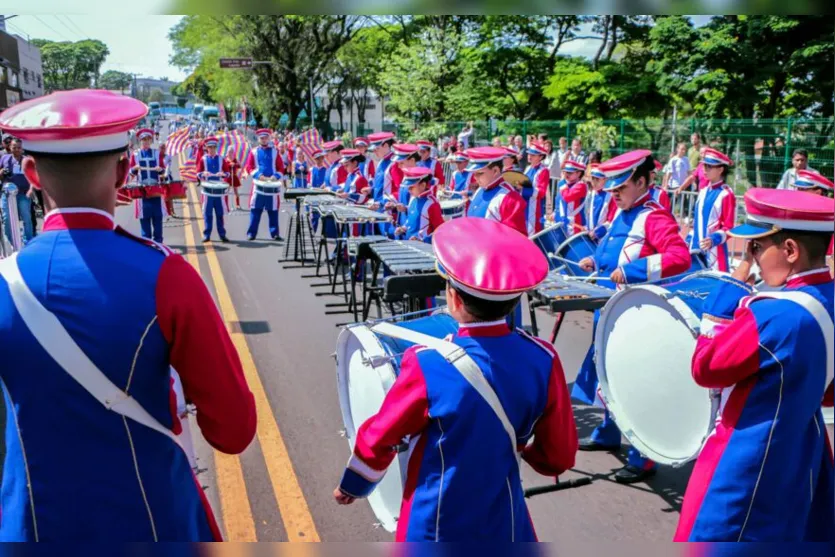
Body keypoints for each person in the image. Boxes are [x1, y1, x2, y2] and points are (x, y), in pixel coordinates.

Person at [0, 88, 256, 542]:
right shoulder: (167, 275)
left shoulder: (5, 281)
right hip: (152, 519)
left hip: (31, 525)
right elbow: (234, 430)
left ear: (32, 174)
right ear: (123, 169)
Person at [333, 216, 578, 542]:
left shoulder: (427, 363)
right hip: (503, 515)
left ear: (454, 298)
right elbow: (558, 457)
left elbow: (382, 433)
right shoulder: (543, 359)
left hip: (436, 518)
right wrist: (523, 450)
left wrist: (355, 484)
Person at [674, 188, 834, 542]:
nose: (753, 257)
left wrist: (732, 284)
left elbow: (705, 367)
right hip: (804, 447)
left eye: (757, 248)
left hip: (749, 455)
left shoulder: (773, 314)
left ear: (790, 250)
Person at [574, 150, 691, 484]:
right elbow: (614, 251)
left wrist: (632, 271)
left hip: (634, 315)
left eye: (620, 188)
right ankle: (608, 432)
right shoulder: (623, 212)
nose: (614, 194)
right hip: (610, 309)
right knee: (607, 374)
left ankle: (644, 457)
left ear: (642, 182)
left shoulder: (653, 216)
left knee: (633, 382)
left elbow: (679, 257)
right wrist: (595, 263)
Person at [685, 148, 737, 272]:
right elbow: (698, 221)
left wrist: (714, 239)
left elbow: (729, 227)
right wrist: (689, 238)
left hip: (714, 253)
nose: (704, 170)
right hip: (696, 249)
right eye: (704, 166)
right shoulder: (702, 192)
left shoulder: (726, 194)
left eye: (709, 166)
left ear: (720, 169)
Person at [463, 147, 527, 236]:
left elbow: (515, 241)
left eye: (479, 173)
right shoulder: (481, 189)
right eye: (474, 173)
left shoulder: (510, 199)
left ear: (495, 171)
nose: (475, 177)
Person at [243, 128, 285, 241]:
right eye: (262, 138)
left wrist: (275, 176)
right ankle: (251, 233)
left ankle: (275, 233)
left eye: (266, 137)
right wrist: (259, 176)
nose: (264, 139)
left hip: (272, 185)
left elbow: (281, 167)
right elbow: (249, 167)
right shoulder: (254, 151)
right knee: (255, 209)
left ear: (269, 138)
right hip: (258, 185)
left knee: (273, 210)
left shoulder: (275, 151)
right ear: (258, 139)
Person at [129, 128, 167, 244]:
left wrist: (160, 170)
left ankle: (159, 244)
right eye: (143, 140)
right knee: (144, 220)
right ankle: (147, 246)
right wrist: (134, 169)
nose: (145, 142)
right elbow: (130, 174)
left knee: (157, 219)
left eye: (147, 140)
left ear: (151, 141)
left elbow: (163, 172)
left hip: (155, 190)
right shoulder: (135, 155)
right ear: (140, 141)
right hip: (142, 192)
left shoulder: (156, 153)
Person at [392, 166, 444, 243]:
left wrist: (423, 240)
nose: (408, 190)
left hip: (423, 248)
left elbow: (440, 230)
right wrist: (403, 228)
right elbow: (410, 221)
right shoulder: (413, 198)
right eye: (408, 188)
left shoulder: (432, 204)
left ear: (423, 185)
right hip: (409, 243)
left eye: (411, 187)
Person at [195, 136, 232, 243]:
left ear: (216, 148)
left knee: (220, 214)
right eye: (210, 147)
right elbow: (197, 172)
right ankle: (207, 234)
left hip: (219, 191)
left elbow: (228, 173)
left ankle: (222, 234)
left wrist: (223, 174)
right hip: (207, 191)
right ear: (207, 148)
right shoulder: (203, 159)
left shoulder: (221, 159)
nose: (211, 149)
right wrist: (203, 174)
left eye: (213, 147)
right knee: (207, 214)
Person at [1, 138, 36, 246]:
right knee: (7, 219)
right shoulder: (4, 158)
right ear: (10, 147)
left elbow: (33, 177)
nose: (16, 149)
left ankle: (28, 241)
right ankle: (11, 242)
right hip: (7, 194)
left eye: (18, 148)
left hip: (23, 193)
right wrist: (1, 172)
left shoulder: (27, 160)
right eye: (14, 147)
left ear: (22, 149)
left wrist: (31, 190)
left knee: (26, 218)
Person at [524, 141, 551, 235]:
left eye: (533, 155)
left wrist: (523, 190)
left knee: (533, 235)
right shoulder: (528, 168)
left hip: (534, 209)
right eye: (529, 154)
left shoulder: (544, 171)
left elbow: (541, 193)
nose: (529, 156)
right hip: (524, 205)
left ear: (540, 157)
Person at [556, 159, 588, 233]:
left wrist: (562, 182)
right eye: (565, 172)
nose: (566, 175)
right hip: (562, 223)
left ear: (579, 173)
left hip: (575, 226)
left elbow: (567, 197)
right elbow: (559, 201)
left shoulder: (581, 186)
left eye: (570, 173)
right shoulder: (566, 186)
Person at [586, 163, 614, 242]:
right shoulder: (591, 194)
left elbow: (611, 220)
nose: (594, 182)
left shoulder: (611, 196)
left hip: (603, 237)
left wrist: (598, 232)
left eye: (597, 179)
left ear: (605, 179)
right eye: (592, 178)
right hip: (590, 235)